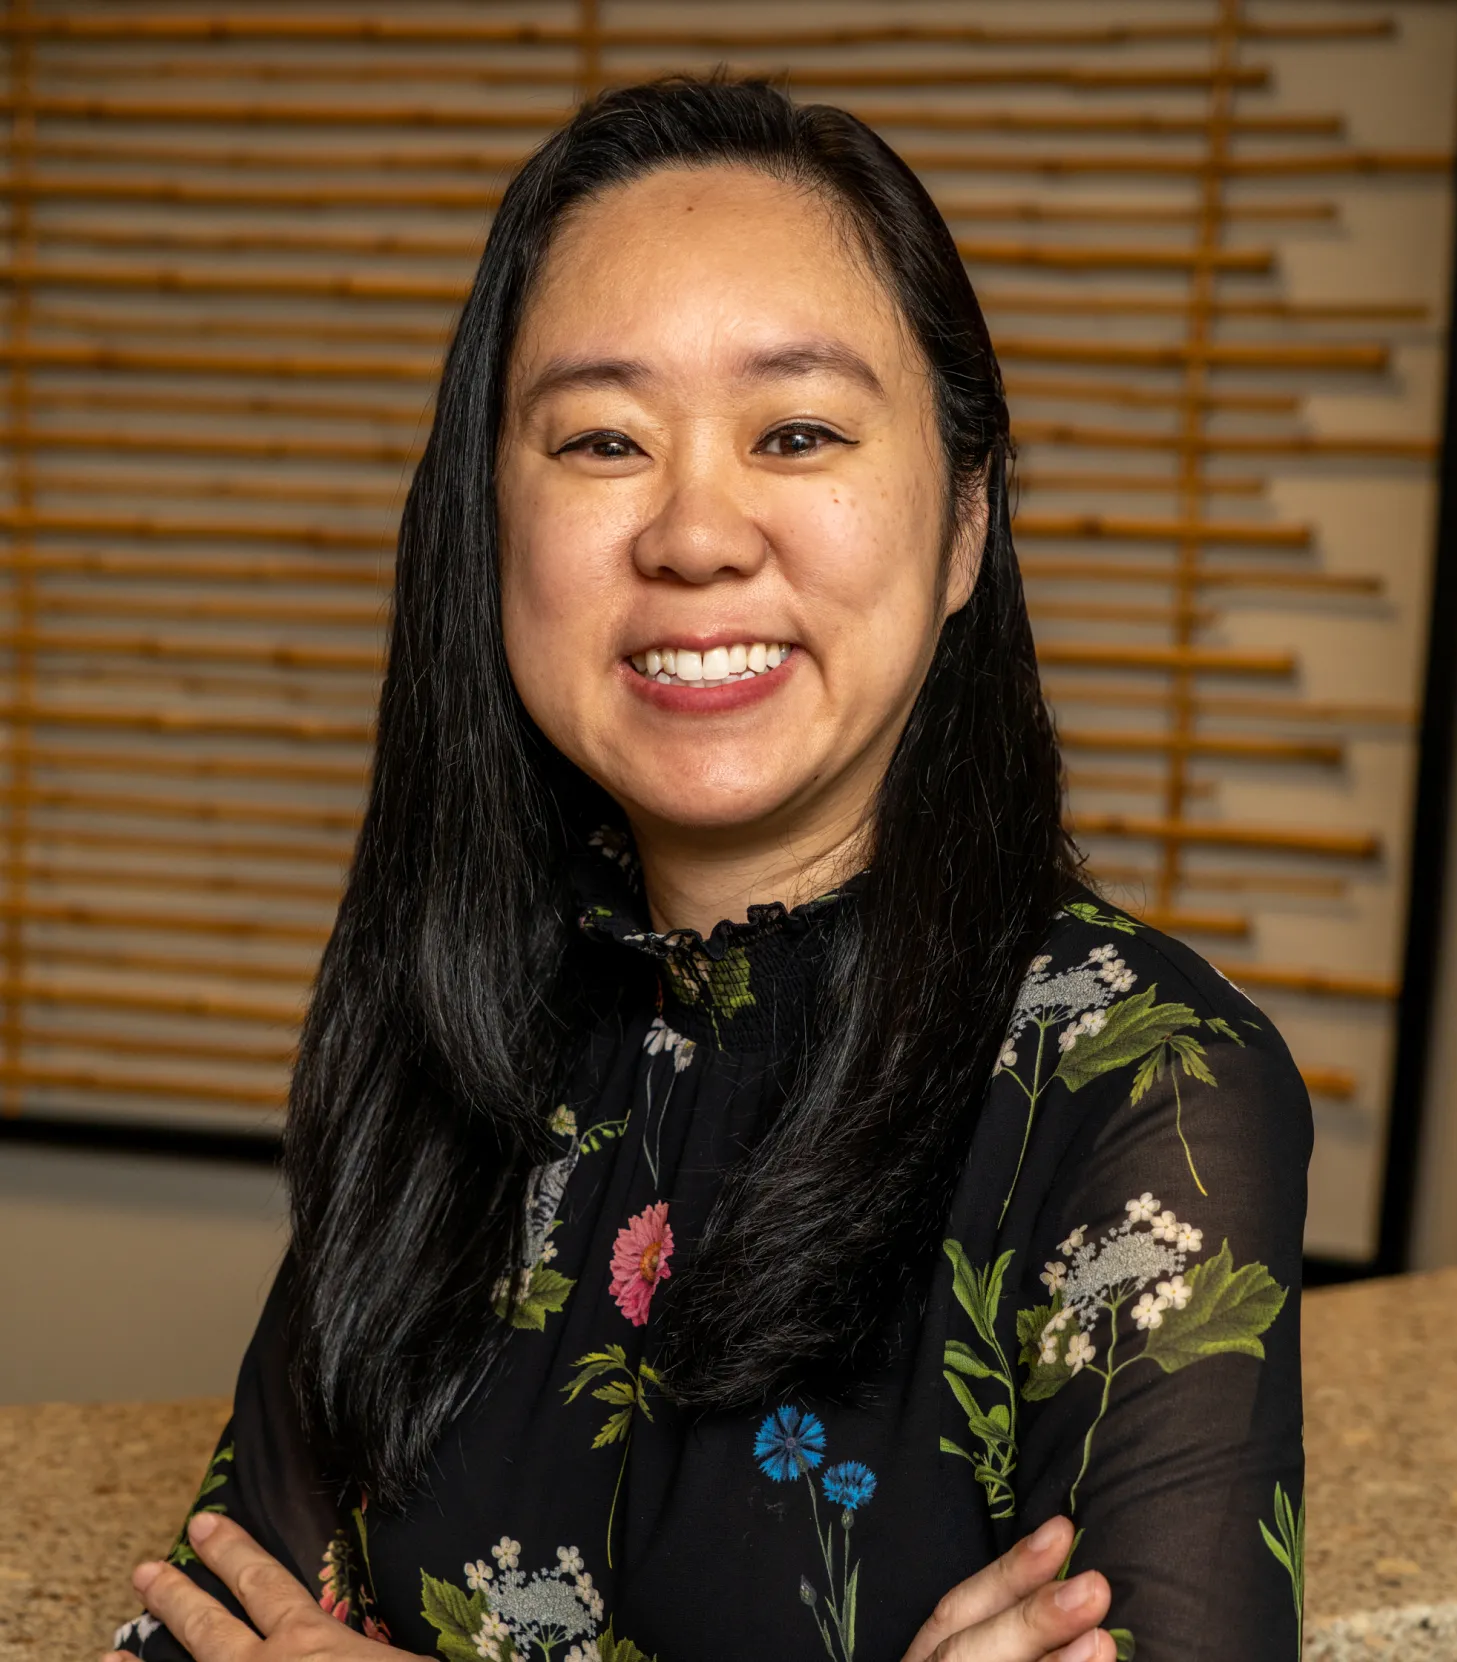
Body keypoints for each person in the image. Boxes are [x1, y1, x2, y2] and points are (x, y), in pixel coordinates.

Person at [106, 77, 1310, 1662]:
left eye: (796, 432)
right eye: (602, 439)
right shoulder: (451, 1023)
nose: (693, 533)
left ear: (964, 520)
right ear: (491, 520)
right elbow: (208, 1622)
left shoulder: (1140, 1078)